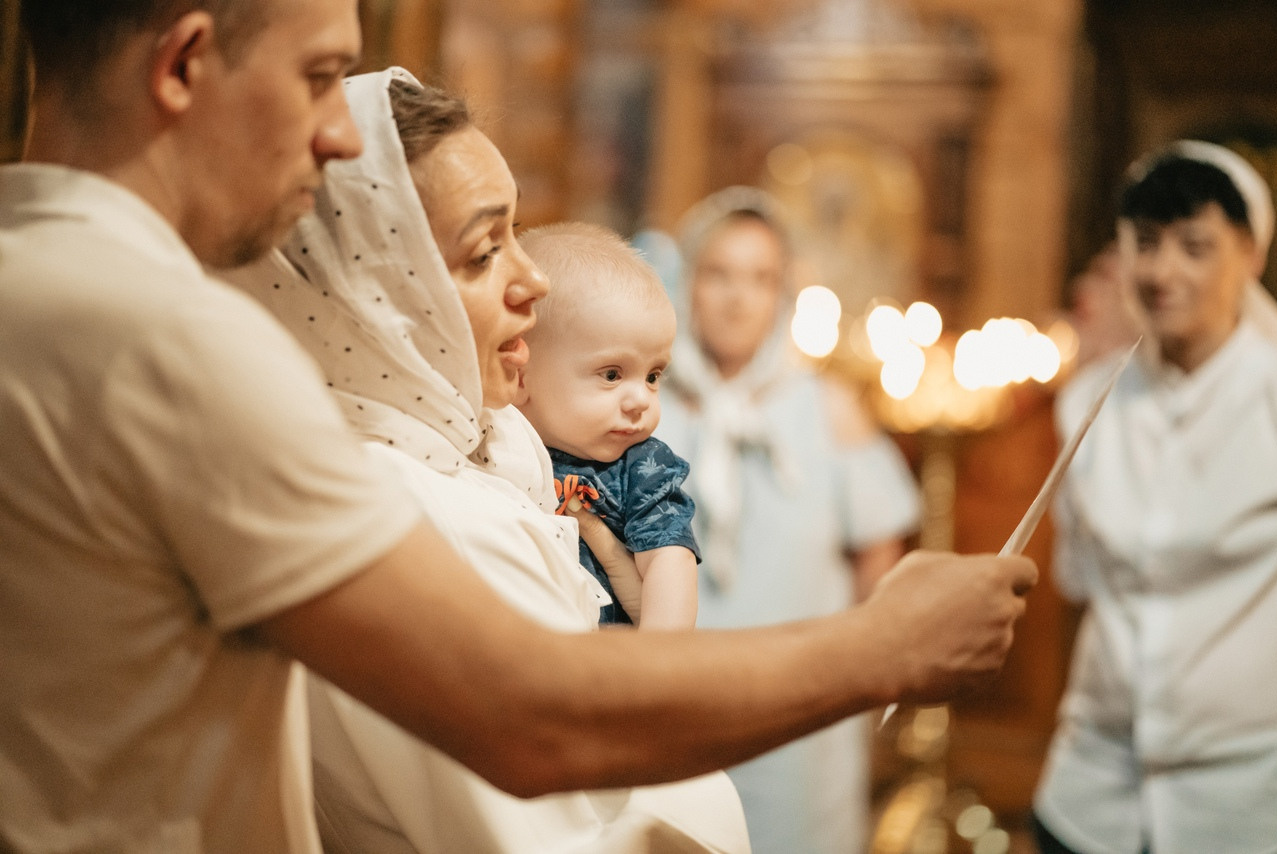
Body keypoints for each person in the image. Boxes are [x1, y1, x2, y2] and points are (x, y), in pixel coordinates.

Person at [1, 2, 1037, 851]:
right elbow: (523, 716)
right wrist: (888, 642)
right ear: (184, 64)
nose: (333, 133)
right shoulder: (170, 341)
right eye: (320, 76)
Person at [225, 68, 743, 852]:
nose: (533, 280)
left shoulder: (479, 455)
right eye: (482, 252)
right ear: (375, 296)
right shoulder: (419, 511)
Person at [657, 186, 923, 854]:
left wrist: (858, 676)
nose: (738, 297)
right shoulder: (648, 400)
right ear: (688, 283)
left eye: (760, 278)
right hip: (676, 701)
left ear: (784, 294)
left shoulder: (829, 408)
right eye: (719, 274)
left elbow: (878, 562)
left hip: (801, 712)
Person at [1032, 140, 1277, 854]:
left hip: (1240, 802)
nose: (1163, 271)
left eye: (1195, 247)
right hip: (1090, 793)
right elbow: (1077, 578)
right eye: (1145, 244)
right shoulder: (1087, 399)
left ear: (1251, 254)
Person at [516, 221, 698, 630]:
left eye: (653, 376)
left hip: (607, 667)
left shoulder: (642, 468)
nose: (641, 400)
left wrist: (661, 660)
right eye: (612, 374)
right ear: (521, 376)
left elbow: (670, 560)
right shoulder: (497, 442)